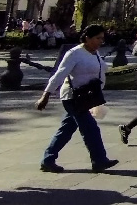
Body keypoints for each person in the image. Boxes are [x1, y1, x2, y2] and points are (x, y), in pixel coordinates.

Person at [37, 25, 118, 173]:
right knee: (91, 129)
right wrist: (46, 95)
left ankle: (47, 160)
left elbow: (101, 69)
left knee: (66, 130)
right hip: (73, 97)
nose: (101, 41)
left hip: (88, 97)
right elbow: (59, 74)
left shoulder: (95, 53)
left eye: (102, 38)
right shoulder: (75, 53)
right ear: (87, 38)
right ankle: (99, 160)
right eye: (97, 38)